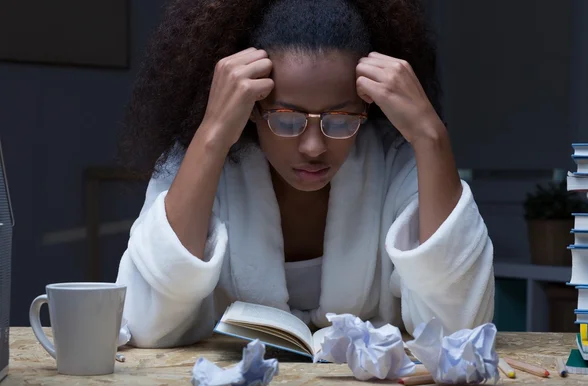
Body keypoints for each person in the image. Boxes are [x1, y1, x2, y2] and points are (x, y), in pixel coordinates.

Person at [116, 0, 495, 348]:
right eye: (286, 119)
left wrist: (431, 135)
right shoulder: (203, 162)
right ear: (250, 106)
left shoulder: (398, 161)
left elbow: (460, 328)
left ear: (367, 105)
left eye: (341, 119)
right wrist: (212, 134)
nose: (313, 147)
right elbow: (144, 322)